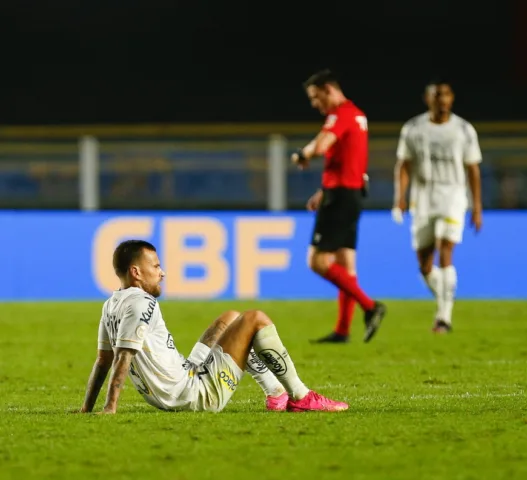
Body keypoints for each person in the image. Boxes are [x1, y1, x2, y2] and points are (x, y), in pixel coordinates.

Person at [75, 240, 348, 414]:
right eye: (156, 266)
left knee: (229, 317)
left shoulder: (112, 304)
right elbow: (122, 357)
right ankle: (301, 396)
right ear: (136, 272)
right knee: (256, 318)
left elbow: (103, 360)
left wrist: (87, 408)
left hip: (184, 377)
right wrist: (110, 407)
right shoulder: (141, 303)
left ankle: (275, 393)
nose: (162, 272)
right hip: (193, 395)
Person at [291, 69, 387, 344]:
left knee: (317, 261)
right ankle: (343, 330)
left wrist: (304, 153)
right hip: (350, 194)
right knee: (346, 264)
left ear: (329, 90)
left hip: (341, 197)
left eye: (315, 97)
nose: (314, 104)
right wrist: (324, 190)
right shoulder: (357, 114)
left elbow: (323, 144)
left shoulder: (341, 114)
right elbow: (347, 159)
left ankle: (370, 306)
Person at [391, 79, 483, 333]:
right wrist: (400, 196)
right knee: (424, 264)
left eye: (446, 95)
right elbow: (404, 164)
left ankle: (444, 316)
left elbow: (473, 169)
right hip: (422, 200)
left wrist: (476, 207)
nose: (442, 100)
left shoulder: (464, 130)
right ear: (427, 98)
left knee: (445, 250)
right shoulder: (413, 128)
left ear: (452, 98)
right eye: (437, 95)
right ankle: (445, 298)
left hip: (453, 197)